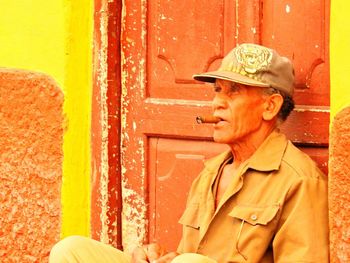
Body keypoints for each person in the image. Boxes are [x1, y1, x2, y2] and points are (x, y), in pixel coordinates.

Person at [49, 43, 329, 263]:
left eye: (233, 92)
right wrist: (162, 257)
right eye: (217, 90)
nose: (217, 103)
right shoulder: (212, 172)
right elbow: (192, 254)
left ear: (270, 107)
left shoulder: (299, 180)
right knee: (72, 251)